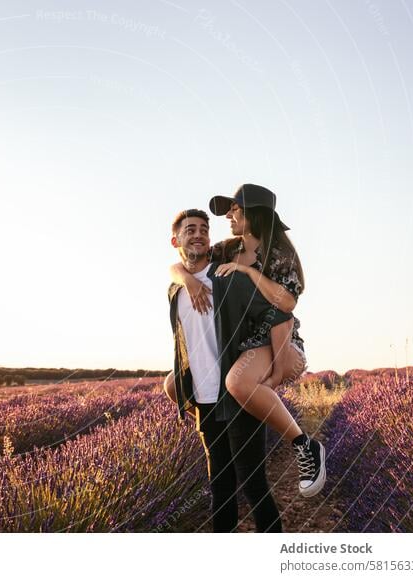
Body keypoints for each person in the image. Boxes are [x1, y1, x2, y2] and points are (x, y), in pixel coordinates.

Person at [169, 184, 325, 498]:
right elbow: (185, 260)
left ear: (253, 213)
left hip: (277, 337)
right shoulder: (226, 248)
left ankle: (305, 446)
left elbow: (286, 304)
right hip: (241, 342)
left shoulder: (279, 255)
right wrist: (184, 278)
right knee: (175, 384)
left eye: (235, 209)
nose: (229, 215)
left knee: (238, 383)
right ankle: (217, 420)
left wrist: (248, 272)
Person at [164, 208, 291, 532]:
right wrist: (187, 279)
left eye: (204, 229)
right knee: (219, 488)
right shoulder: (175, 289)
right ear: (175, 239)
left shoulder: (229, 277)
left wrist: (275, 371)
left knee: (253, 486)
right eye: (190, 229)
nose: (198, 234)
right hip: (205, 403)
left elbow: (279, 313)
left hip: (236, 398)